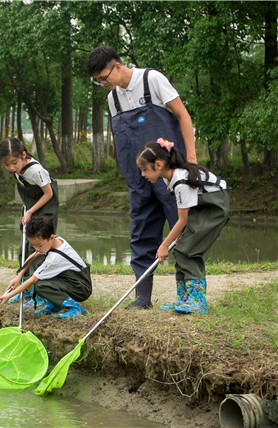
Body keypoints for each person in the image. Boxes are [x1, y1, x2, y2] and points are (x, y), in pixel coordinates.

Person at [86, 45, 197, 309]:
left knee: (184, 231)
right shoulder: (113, 99)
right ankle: (142, 297)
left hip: (170, 175)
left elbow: (182, 115)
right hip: (139, 179)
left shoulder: (152, 80)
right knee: (142, 234)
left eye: (104, 77)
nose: (103, 84)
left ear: (118, 66)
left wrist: (191, 160)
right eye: (98, 81)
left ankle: (191, 296)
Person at [136, 139, 230, 313]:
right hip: (200, 207)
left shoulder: (181, 182)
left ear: (158, 164)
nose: (143, 174)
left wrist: (164, 245)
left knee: (188, 250)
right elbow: (185, 214)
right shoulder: (170, 178)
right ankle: (184, 298)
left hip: (214, 207)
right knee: (179, 248)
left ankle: (198, 301)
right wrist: (177, 238)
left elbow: (182, 220)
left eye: (144, 169)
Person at [0, 137, 59, 307]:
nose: (11, 168)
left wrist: (31, 211)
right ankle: (24, 290)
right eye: (7, 165)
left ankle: (38, 293)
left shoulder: (35, 171)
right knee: (23, 248)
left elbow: (49, 194)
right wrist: (28, 210)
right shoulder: (18, 169)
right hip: (31, 208)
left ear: (24, 155)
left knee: (38, 249)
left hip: (45, 209)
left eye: (14, 163)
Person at [0, 215, 92, 318]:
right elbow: (34, 255)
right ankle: (54, 305)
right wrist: (19, 275)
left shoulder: (54, 258)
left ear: (51, 237)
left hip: (81, 287)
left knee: (41, 286)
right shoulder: (55, 240)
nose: (37, 248)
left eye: (40, 245)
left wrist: (8, 295)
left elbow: (32, 281)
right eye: (34, 245)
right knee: (40, 271)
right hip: (71, 279)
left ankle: (76, 308)